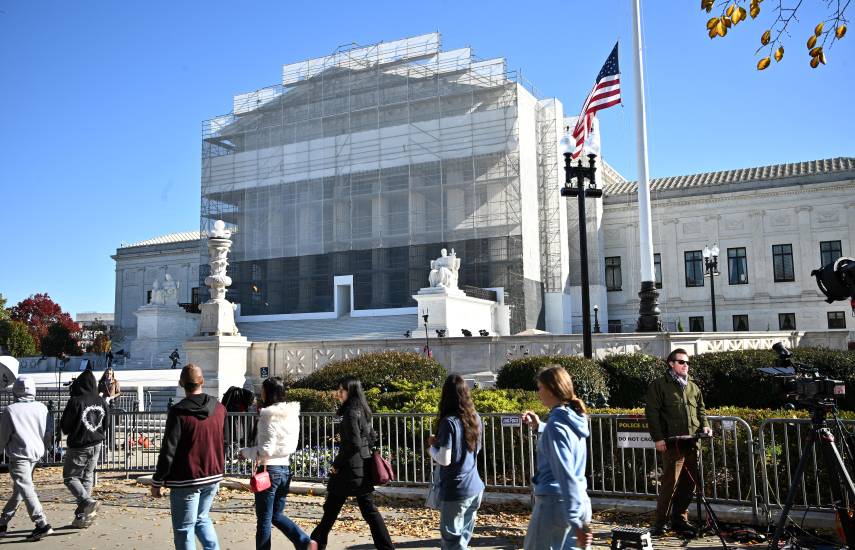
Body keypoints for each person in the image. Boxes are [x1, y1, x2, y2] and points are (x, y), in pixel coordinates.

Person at [310, 377, 394, 550]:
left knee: (334, 509)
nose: (339, 393)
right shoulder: (362, 410)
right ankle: (316, 543)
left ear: (351, 391)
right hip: (360, 466)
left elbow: (353, 444)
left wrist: (337, 464)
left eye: (342, 390)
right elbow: (371, 438)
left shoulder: (350, 413)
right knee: (361, 510)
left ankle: (314, 543)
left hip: (349, 470)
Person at [152, 364, 226, 550]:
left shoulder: (178, 412)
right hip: (213, 472)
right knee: (202, 519)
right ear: (202, 381)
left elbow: (169, 448)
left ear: (181, 384)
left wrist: (158, 479)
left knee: (184, 528)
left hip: (187, 477)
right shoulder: (218, 408)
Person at [240, 377, 316, 550]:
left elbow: (265, 450)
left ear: (269, 393)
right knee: (276, 514)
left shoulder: (268, 415)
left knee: (265, 519)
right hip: (285, 468)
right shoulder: (292, 414)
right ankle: (304, 541)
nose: (261, 394)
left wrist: (245, 452)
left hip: (269, 469)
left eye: (263, 390)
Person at [521, 366, 593, 550]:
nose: (538, 393)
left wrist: (575, 519)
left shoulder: (556, 425)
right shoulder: (575, 417)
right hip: (579, 499)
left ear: (552, 390)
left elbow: (564, 472)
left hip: (555, 503)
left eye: (540, 388)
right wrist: (540, 426)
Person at [645, 348, 711, 537]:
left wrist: (705, 426)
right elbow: (652, 413)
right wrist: (658, 438)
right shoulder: (659, 385)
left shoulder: (692, 386)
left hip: (692, 443)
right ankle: (660, 522)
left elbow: (701, 410)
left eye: (688, 362)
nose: (686, 366)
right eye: (682, 362)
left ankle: (680, 519)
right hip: (673, 444)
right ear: (671, 364)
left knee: (689, 484)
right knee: (669, 483)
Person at [428, 375, 485, 550]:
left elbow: (445, 459)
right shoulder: (475, 418)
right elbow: (477, 449)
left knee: (451, 541)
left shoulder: (448, 422)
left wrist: (430, 449)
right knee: (462, 540)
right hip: (475, 486)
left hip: (456, 489)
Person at [0, 376, 54, 541]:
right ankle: (2, 522)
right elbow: (48, 433)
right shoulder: (42, 408)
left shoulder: (10, 410)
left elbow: (3, 436)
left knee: (25, 488)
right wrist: (46, 448)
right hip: (35, 453)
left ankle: (41, 523)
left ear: (15, 390)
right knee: (20, 490)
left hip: (19, 455)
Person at [60, 369, 108, 529]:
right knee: (87, 477)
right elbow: (106, 424)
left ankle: (87, 502)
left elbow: (66, 426)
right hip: (96, 443)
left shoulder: (76, 401)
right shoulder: (101, 401)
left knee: (70, 477)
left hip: (80, 444)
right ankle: (83, 516)